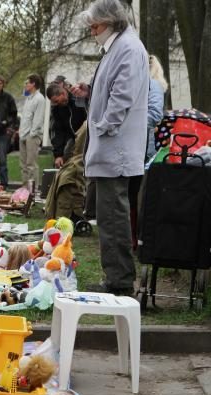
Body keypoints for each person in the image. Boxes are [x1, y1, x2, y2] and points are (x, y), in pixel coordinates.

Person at [71, 0, 149, 295]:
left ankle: (119, 281)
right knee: (108, 215)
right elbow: (112, 90)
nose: (92, 32)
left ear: (111, 22)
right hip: (110, 145)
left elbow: (122, 96)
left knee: (113, 215)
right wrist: (90, 94)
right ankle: (116, 277)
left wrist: (103, 126)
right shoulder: (119, 47)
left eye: (95, 26)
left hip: (115, 147)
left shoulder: (127, 48)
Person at [128, 54, 167, 250]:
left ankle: (138, 240)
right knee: (132, 196)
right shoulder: (145, 85)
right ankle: (133, 238)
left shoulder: (153, 85)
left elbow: (154, 114)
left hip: (143, 149)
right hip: (135, 146)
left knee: (138, 196)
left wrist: (129, 122)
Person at [46, 80, 87, 168]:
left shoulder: (78, 98)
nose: (56, 104)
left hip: (87, 136)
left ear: (63, 93)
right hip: (72, 137)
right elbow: (57, 131)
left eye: (56, 101)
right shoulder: (57, 109)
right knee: (65, 160)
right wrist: (58, 155)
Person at [18, 74, 46, 189]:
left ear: (33, 84)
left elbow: (38, 119)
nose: (25, 85)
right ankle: (25, 190)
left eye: (27, 83)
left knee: (31, 165)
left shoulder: (39, 98)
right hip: (23, 135)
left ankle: (32, 192)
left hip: (32, 136)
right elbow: (25, 117)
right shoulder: (29, 98)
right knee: (23, 165)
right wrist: (21, 132)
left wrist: (32, 134)